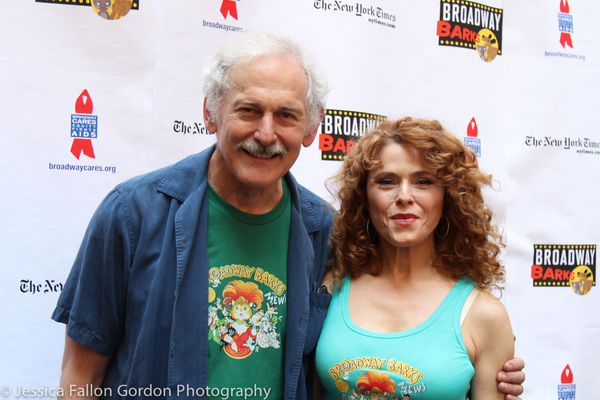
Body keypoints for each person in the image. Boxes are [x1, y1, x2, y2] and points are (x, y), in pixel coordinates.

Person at [52, 32, 524, 400]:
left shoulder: (325, 233)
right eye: (248, 110)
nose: (266, 132)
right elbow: (80, 373)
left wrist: (486, 368)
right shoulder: (135, 213)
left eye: (286, 115)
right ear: (210, 113)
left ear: (312, 129)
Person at [315, 117, 517, 400]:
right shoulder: (330, 287)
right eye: (387, 182)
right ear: (364, 196)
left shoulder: (484, 314)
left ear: (449, 196)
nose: (404, 196)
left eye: (424, 181)